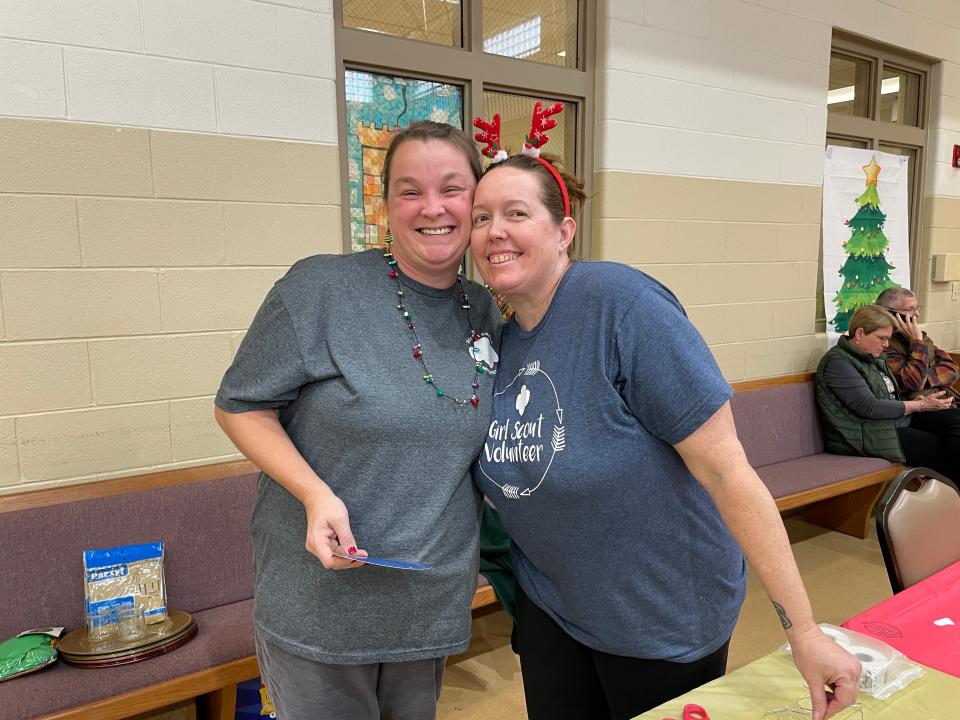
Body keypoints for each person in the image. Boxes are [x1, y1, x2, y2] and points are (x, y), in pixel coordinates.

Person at [469, 152, 861, 720]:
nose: (495, 231)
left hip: (661, 616)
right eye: (481, 218)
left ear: (564, 231)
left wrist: (802, 628)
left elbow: (727, 471)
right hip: (554, 611)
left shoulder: (621, 306)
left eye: (516, 213)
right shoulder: (499, 345)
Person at [214, 121, 502, 720]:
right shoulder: (322, 288)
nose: (432, 208)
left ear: (478, 200)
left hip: (426, 600)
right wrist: (315, 496)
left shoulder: (485, 310)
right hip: (321, 602)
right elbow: (239, 405)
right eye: (408, 191)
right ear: (385, 206)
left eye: (452, 188)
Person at [816, 304, 960, 482]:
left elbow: (889, 395)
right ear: (860, 333)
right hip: (866, 434)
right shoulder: (838, 363)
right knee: (943, 450)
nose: (886, 345)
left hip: (894, 422)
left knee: (955, 419)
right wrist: (920, 405)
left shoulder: (874, 357)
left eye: (888, 339)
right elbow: (870, 407)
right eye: (882, 338)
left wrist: (921, 402)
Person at [875, 287, 960, 400]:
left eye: (917, 308)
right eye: (910, 309)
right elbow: (912, 382)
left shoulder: (919, 336)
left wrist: (924, 378)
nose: (917, 314)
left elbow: (953, 369)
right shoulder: (883, 344)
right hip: (920, 409)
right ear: (888, 313)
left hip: (948, 399)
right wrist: (917, 342)